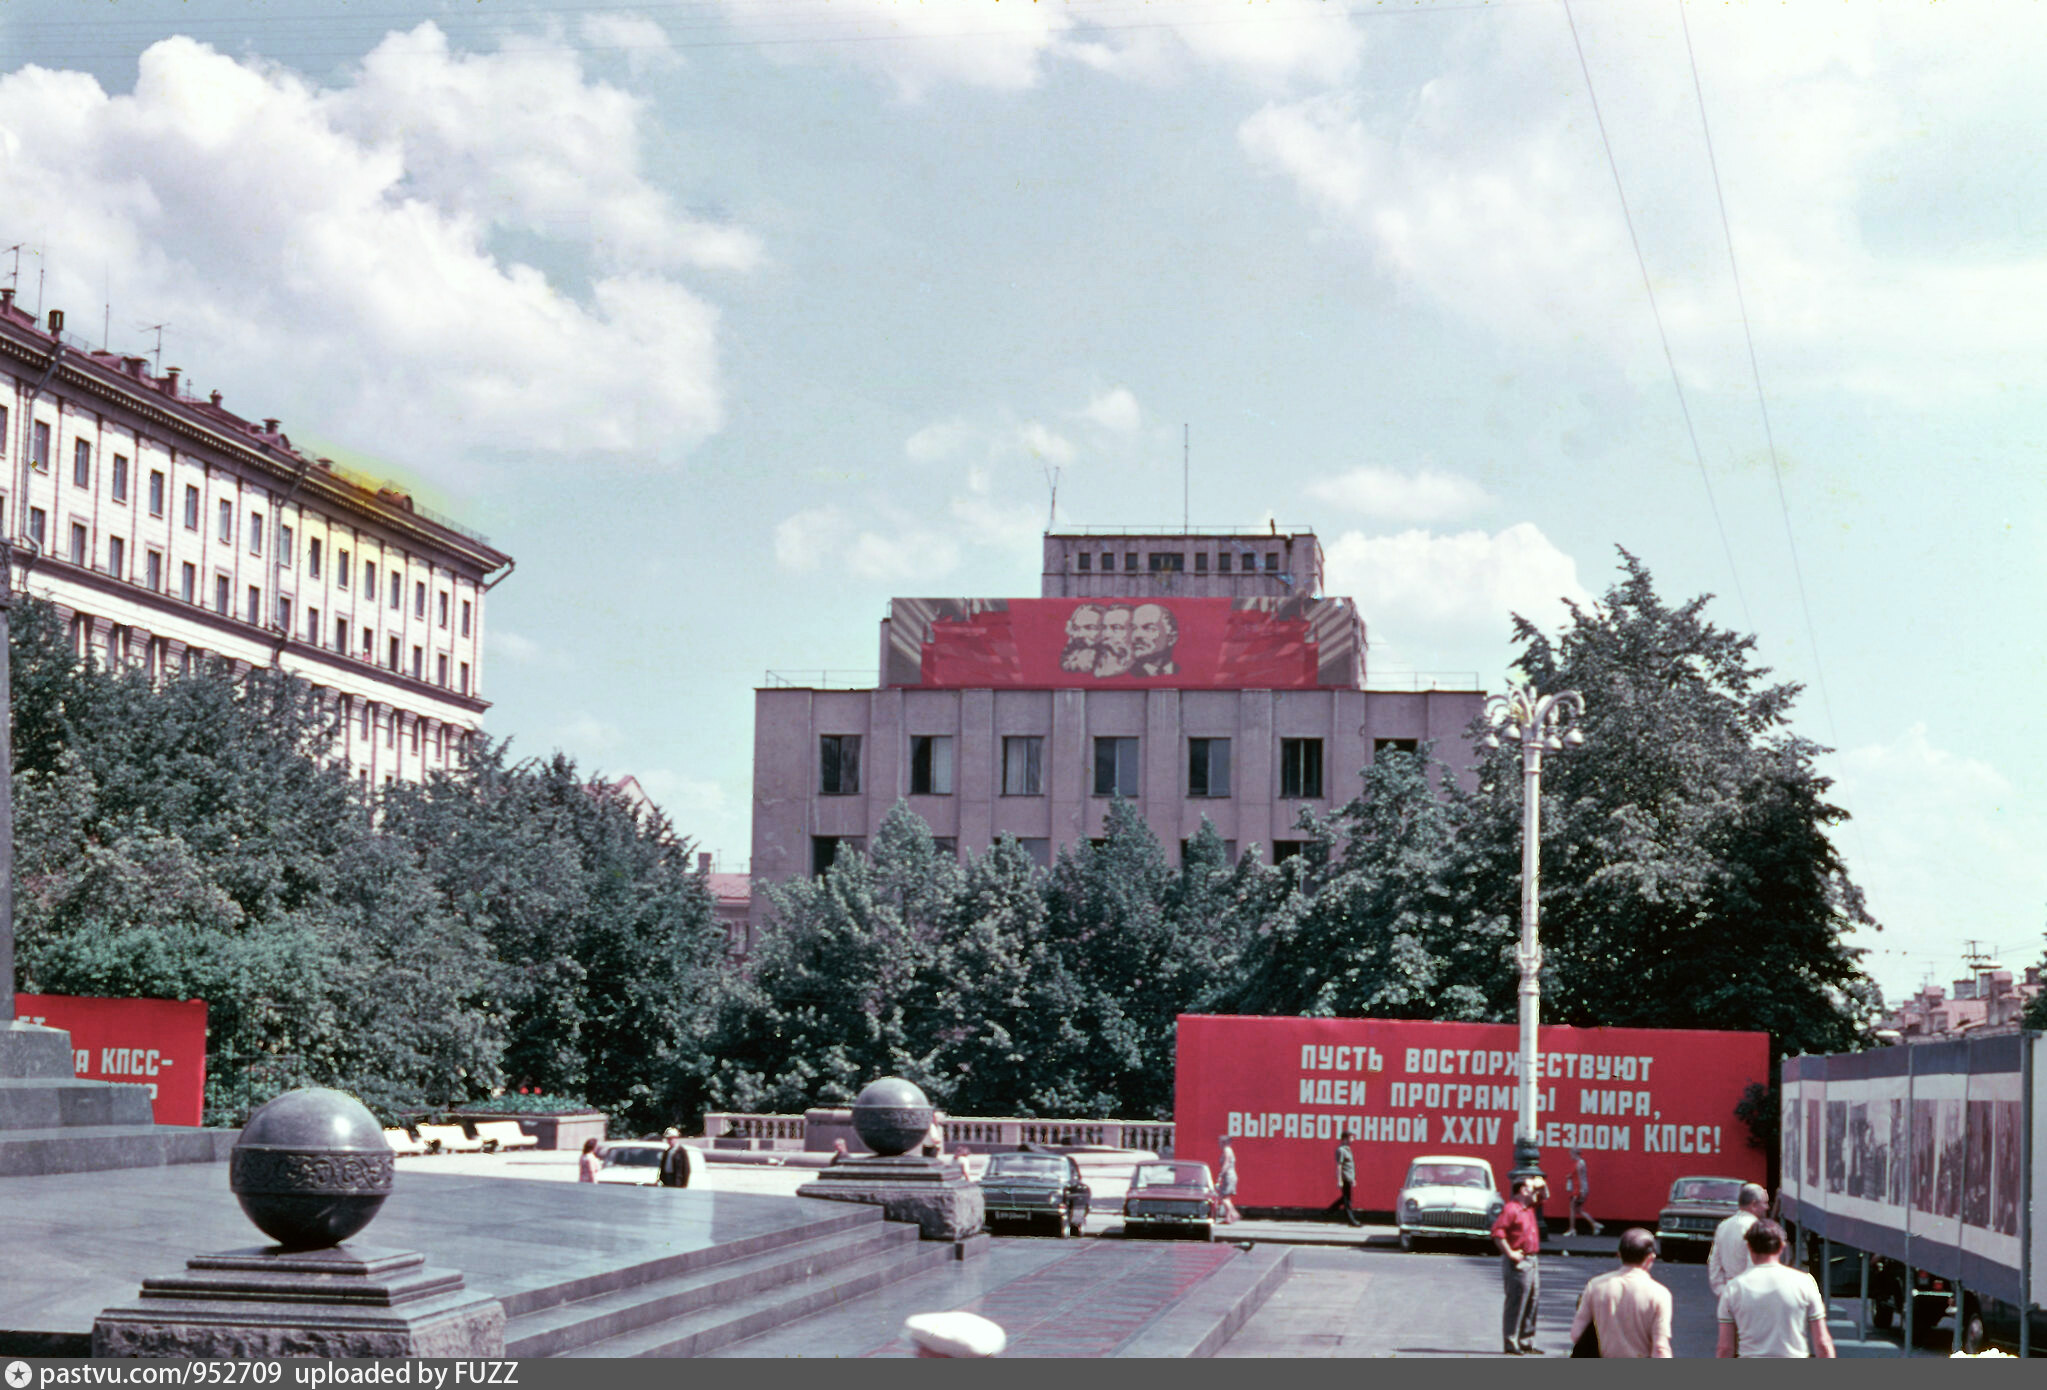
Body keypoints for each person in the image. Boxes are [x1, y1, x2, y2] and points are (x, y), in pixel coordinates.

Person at [1716, 1218, 1835, 1358]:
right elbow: (1822, 1343)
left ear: (1749, 1247)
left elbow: (1725, 1348)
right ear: (1782, 1247)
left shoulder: (1734, 1288)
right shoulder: (1805, 1282)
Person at [1569, 1228, 1673, 1357]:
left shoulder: (1596, 1286)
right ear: (1650, 1258)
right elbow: (1660, 1347)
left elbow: (1576, 1334)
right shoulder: (1660, 1294)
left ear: (1619, 1254)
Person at [1491, 1176, 1544, 1355]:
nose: (1535, 1191)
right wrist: (1511, 1253)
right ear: (1522, 1190)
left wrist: (1541, 1184)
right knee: (1517, 1301)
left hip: (1532, 1259)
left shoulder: (1528, 1208)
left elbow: (1544, 1194)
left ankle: (1525, 1340)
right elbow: (1498, 1233)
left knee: (1532, 1300)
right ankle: (1511, 1341)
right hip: (1519, 1261)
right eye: (1531, 1188)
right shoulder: (1511, 1209)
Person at [1708, 1183, 1771, 1298]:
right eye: (1765, 1203)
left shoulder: (1724, 1225)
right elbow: (1754, 1264)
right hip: (1748, 1294)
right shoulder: (1756, 1228)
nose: (1767, 1207)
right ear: (1754, 1205)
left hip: (1727, 1291)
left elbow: (1714, 1261)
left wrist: (1720, 1289)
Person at [1130, 603, 1180, 676]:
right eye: (1133, 628)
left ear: (1171, 638)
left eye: (1149, 628)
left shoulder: (1188, 673)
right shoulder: (1126, 676)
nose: (1136, 635)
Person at [1565, 1146, 1602, 1236]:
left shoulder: (1580, 1163)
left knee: (1573, 1208)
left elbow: (1582, 1178)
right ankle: (1594, 1224)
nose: (1570, 1156)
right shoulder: (1578, 1163)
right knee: (1578, 1210)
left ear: (1575, 1154)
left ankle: (1572, 1229)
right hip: (1579, 1189)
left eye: (1571, 1154)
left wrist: (1581, 1191)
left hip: (1579, 1189)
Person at [1327, 1132, 1360, 1226]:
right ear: (1345, 1138)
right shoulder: (1341, 1150)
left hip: (1349, 1178)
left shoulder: (1348, 1149)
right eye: (1351, 1138)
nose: (1353, 1140)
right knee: (1347, 1201)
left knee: (1345, 1199)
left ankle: (1328, 1212)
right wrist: (1339, 1180)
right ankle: (1352, 1221)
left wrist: (1353, 1179)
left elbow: (1350, 1166)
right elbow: (1339, 1166)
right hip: (1344, 1178)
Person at [1216, 1136, 1240, 1225]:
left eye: (1220, 1142)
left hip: (1228, 1176)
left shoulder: (1227, 1149)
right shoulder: (1228, 1149)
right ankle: (1228, 1218)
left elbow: (1226, 1163)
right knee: (1227, 1198)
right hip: (1230, 1175)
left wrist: (1220, 1175)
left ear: (1224, 1142)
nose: (1219, 1144)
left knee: (1223, 1198)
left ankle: (1234, 1214)